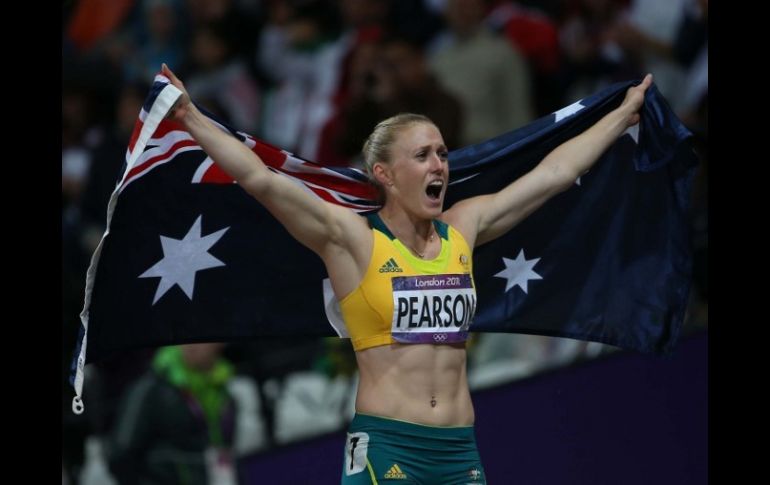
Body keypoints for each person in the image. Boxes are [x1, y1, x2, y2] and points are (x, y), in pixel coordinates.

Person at [161, 63, 652, 485]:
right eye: (422, 156)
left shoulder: (463, 227)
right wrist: (189, 116)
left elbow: (554, 176)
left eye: (441, 153)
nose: (439, 164)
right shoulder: (352, 239)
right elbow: (260, 179)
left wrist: (620, 116)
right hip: (389, 449)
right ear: (385, 175)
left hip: (461, 451)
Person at [107, 343, 238, 485]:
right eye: (185, 335)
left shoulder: (225, 387)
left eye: (201, 338)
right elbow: (120, 454)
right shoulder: (150, 388)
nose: (191, 345)